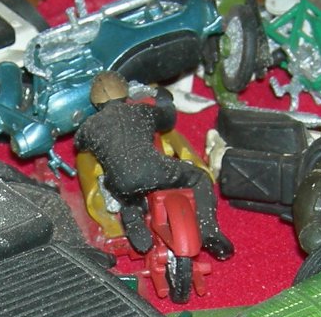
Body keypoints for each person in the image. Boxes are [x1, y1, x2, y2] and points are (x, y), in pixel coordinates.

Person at [72, 72, 235, 261]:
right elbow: (167, 122)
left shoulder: (90, 125)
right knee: (199, 177)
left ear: (95, 102)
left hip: (121, 180)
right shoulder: (142, 111)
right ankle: (208, 229)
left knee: (126, 194)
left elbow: (79, 144)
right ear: (124, 92)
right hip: (155, 169)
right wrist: (164, 99)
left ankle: (132, 218)